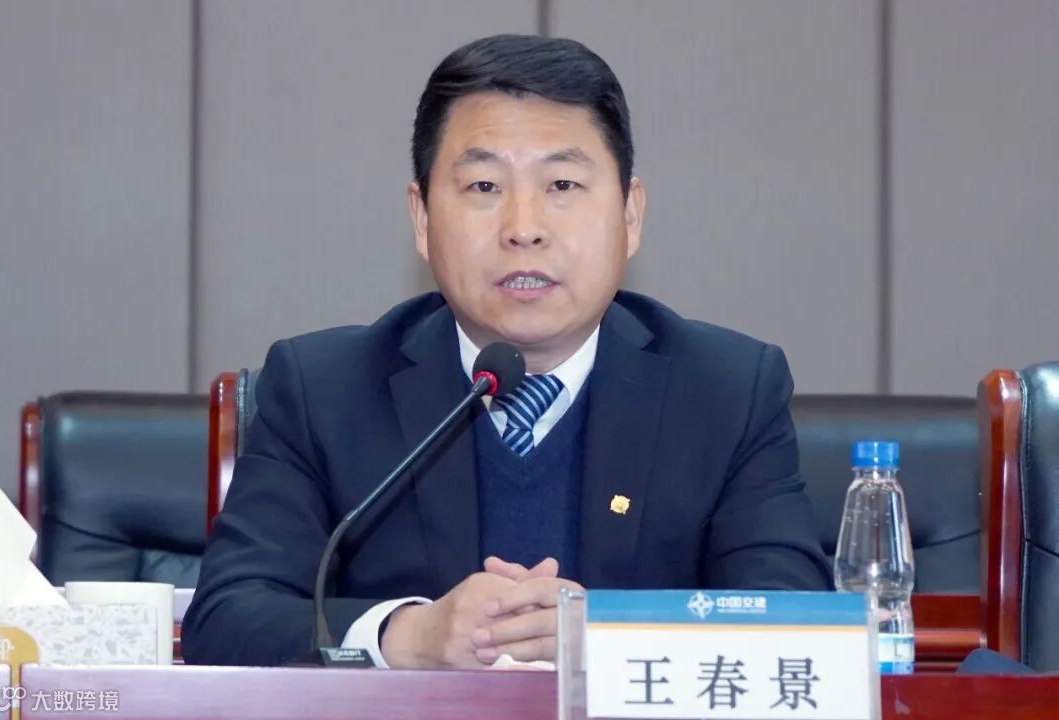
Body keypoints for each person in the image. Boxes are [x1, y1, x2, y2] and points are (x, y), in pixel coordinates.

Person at [182, 33, 832, 670]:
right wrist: (409, 636)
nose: (524, 229)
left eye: (563, 185)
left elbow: (798, 624)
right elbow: (228, 619)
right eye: (484, 187)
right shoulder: (323, 390)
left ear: (630, 215)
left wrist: (608, 636)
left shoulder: (726, 392)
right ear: (422, 219)